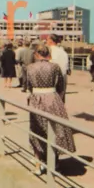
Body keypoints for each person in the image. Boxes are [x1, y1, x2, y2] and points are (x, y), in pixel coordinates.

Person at [25, 44, 76, 176]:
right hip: (53, 99)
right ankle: (55, 163)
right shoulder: (55, 67)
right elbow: (61, 86)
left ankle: (38, 163)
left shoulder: (29, 68)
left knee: (36, 130)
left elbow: (28, 86)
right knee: (55, 129)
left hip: (36, 99)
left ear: (36, 54)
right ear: (48, 53)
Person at [47, 34, 69, 101]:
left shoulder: (49, 51)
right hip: (63, 76)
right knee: (60, 100)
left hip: (52, 78)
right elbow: (66, 66)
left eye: (47, 40)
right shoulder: (63, 52)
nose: (46, 41)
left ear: (51, 41)